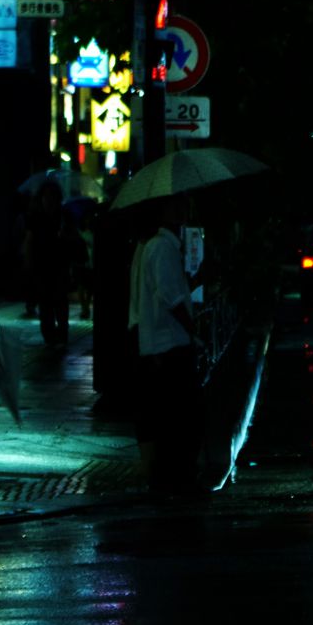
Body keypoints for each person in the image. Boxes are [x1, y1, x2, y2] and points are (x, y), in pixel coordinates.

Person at [129, 197, 202, 496]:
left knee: (167, 413)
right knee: (175, 413)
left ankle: (167, 476)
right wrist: (192, 329)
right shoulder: (161, 248)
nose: (183, 210)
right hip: (168, 344)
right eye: (175, 206)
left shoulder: (160, 247)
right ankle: (173, 477)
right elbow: (169, 296)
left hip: (164, 343)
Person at [25, 183, 77, 347]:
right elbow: (29, 240)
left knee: (60, 303)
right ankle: (50, 336)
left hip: (60, 266)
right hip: (42, 267)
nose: (49, 200)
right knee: (45, 304)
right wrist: (29, 263)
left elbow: (73, 239)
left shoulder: (64, 216)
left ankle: (61, 334)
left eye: (52, 196)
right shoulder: (36, 217)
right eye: (46, 196)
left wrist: (65, 236)